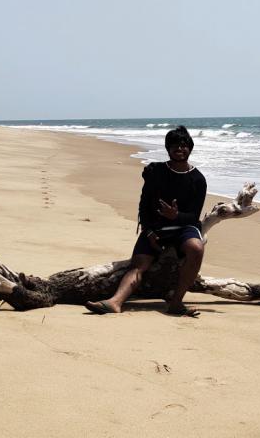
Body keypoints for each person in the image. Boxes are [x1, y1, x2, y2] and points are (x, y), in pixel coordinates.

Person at [87, 125, 207, 316]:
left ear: (190, 148)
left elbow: (193, 216)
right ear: (168, 149)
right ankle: (114, 302)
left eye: (184, 145)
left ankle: (176, 303)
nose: (179, 149)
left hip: (183, 228)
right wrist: (149, 231)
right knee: (139, 265)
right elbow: (143, 206)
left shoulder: (198, 179)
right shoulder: (155, 172)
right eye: (174, 145)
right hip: (156, 228)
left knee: (197, 248)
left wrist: (176, 216)